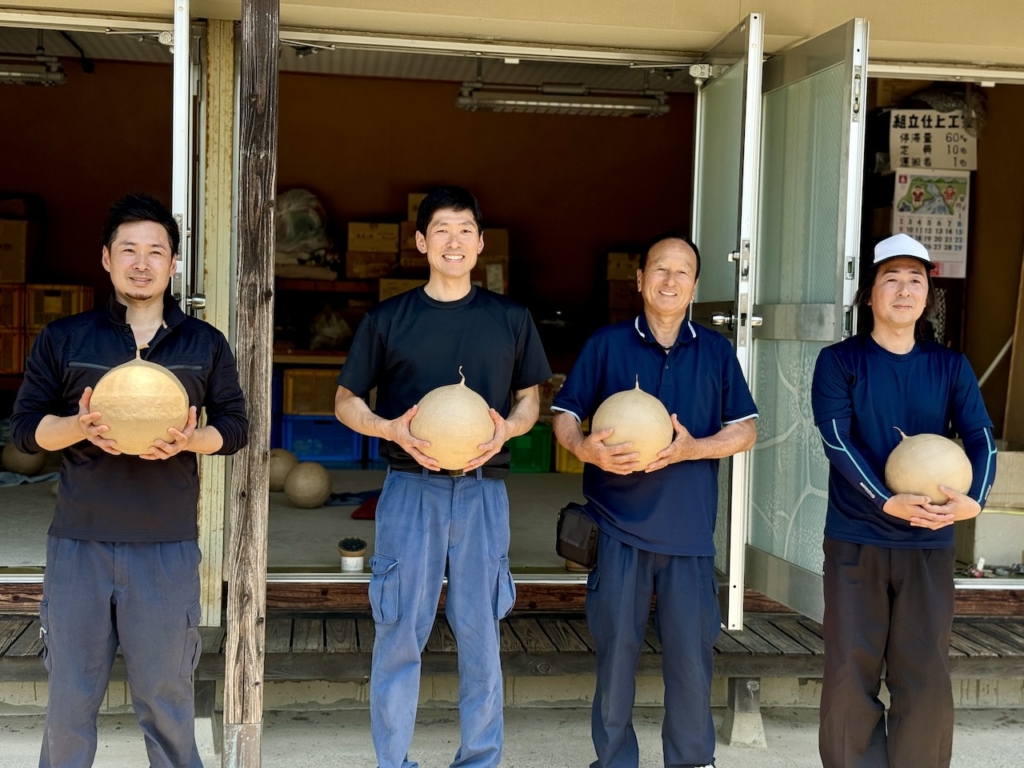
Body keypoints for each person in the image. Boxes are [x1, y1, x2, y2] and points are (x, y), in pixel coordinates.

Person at [10, 193, 249, 768]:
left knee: (166, 704)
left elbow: (236, 426)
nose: (141, 263)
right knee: (69, 704)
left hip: (165, 547)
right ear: (105, 259)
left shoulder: (203, 344)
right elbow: (23, 432)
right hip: (79, 544)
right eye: (128, 250)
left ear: (173, 264)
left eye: (156, 252)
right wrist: (78, 427)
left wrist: (194, 440)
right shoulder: (64, 339)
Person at [334, 186, 551, 768]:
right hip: (410, 490)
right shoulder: (390, 319)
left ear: (480, 244)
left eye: (464, 231)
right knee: (401, 632)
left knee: (482, 637)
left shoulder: (510, 318)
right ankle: (394, 761)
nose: (453, 242)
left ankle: (479, 759)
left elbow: (532, 400)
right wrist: (389, 430)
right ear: (421, 242)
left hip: (484, 493)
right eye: (441, 231)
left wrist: (506, 430)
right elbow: (345, 401)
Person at [552, 234, 758, 768]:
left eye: (683, 272)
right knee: (616, 658)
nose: (670, 281)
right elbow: (565, 416)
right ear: (639, 280)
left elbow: (744, 431)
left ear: (695, 286)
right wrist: (585, 451)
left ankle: (692, 761)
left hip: (689, 533)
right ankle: (615, 761)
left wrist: (695, 448)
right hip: (617, 527)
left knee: (691, 661)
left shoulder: (715, 351)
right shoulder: (607, 344)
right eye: (659, 270)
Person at [811, 233, 996, 768]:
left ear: (927, 296)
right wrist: (885, 500)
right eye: (890, 279)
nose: (903, 289)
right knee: (850, 670)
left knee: (925, 673)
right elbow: (836, 440)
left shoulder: (950, 366)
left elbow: (981, 437)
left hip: (929, 542)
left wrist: (975, 502)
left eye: (915, 280)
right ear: (869, 295)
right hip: (855, 540)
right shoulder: (839, 361)